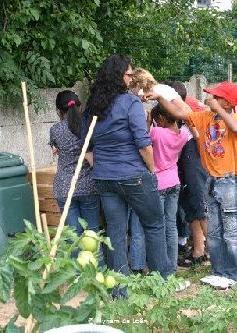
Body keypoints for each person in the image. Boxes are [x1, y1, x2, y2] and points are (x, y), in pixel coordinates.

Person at [80, 54, 172, 290]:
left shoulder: (93, 107)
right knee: (154, 224)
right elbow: (143, 143)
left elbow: (87, 146)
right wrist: (152, 170)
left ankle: (118, 289)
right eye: (129, 74)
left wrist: (101, 166)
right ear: (118, 76)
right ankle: (162, 283)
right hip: (133, 176)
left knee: (115, 233)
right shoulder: (130, 103)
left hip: (105, 178)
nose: (132, 79)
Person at [145, 81, 237, 290]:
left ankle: (232, 274)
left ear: (227, 103)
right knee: (216, 230)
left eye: (216, 97)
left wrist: (218, 110)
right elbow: (177, 112)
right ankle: (218, 271)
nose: (211, 99)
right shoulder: (203, 117)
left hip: (229, 179)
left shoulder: (234, 118)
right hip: (210, 179)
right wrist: (160, 97)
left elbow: (236, 128)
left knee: (232, 230)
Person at [164, 81, 209, 267]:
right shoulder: (173, 116)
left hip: (193, 159)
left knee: (198, 203)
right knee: (190, 205)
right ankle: (199, 250)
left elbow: (199, 139)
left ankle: (215, 249)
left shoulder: (188, 114)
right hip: (184, 162)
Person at [49, 90, 101, 237]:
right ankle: (97, 261)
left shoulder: (55, 130)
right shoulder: (89, 126)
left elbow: (55, 149)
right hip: (88, 186)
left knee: (73, 236)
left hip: (64, 187)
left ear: (59, 111)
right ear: (79, 106)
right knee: (92, 233)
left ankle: (73, 261)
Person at [149, 104, 188, 273]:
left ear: (162, 119)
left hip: (158, 183)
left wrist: (147, 122)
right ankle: (172, 266)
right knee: (171, 225)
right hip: (174, 182)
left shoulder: (157, 133)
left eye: (157, 120)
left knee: (158, 226)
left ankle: (160, 267)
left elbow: (142, 140)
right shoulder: (184, 135)